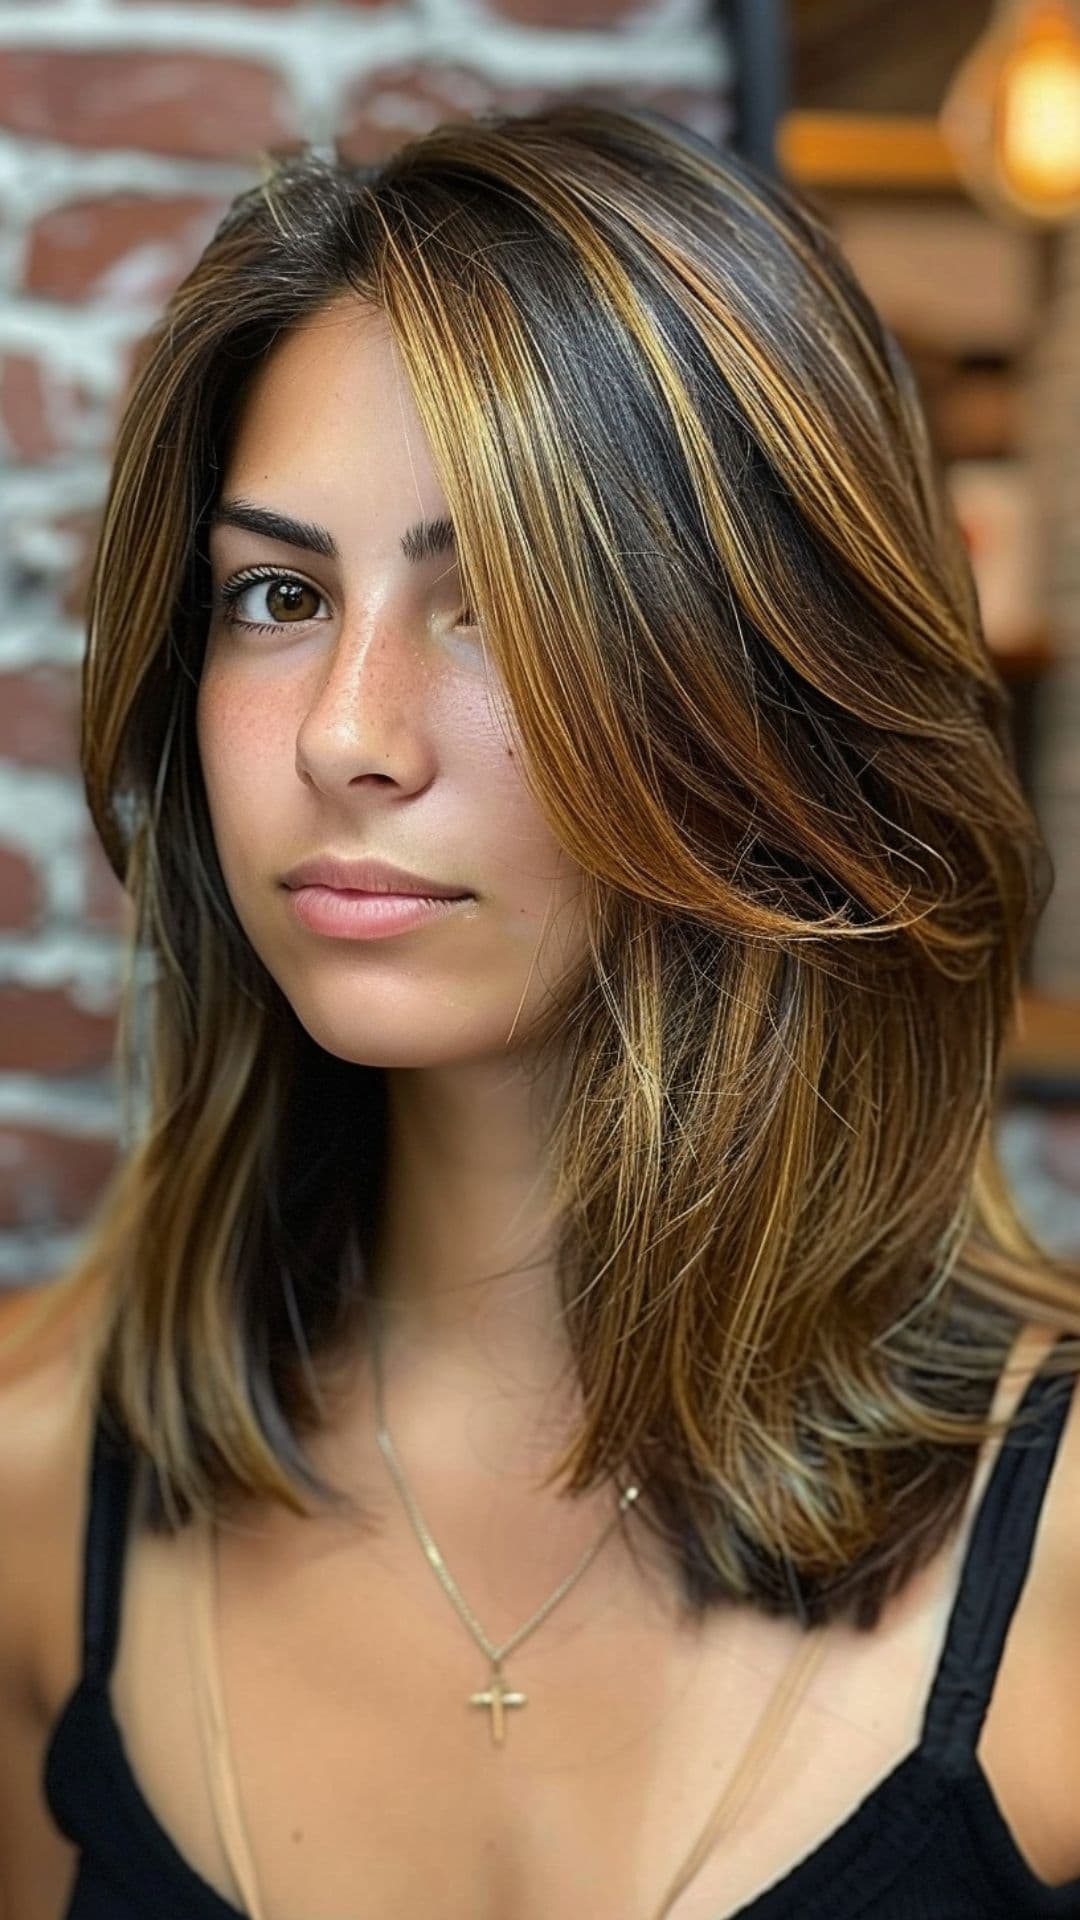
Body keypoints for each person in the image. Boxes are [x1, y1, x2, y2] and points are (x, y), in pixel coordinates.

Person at [1, 99, 1078, 1920]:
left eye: (491, 601)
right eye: (276, 595)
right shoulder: (42, 1483)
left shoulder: (1059, 1557)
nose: (346, 732)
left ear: (770, 684)